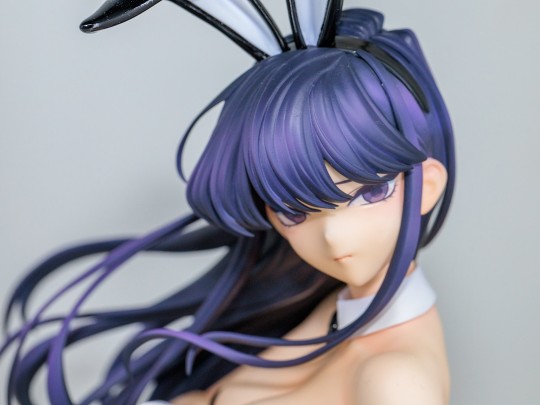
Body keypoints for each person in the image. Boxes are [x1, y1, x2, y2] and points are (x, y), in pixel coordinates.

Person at [1, 3, 455, 404]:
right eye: (294, 210)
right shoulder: (344, 310)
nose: (334, 236)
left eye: (370, 192)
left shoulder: (397, 382)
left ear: (429, 184)